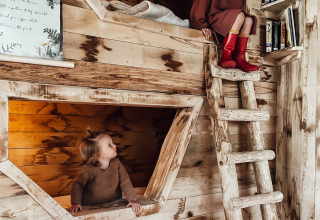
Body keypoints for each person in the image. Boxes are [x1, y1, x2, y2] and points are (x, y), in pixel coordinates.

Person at [68, 131, 141, 214]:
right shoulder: (88, 169)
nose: (115, 145)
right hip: (91, 205)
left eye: (112, 143)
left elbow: (125, 181)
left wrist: (132, 199)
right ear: (98, 154)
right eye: (109, 145)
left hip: (114, 200)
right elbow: (77, 185)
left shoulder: (116, 163)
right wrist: (76, 203)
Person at [190, 0, 259, 72]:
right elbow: (199, 7)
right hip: (214, 18)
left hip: (232, 20)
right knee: (240, 15)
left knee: (249, 20)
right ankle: (226, 55)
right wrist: (201, 25)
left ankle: (240, 58)